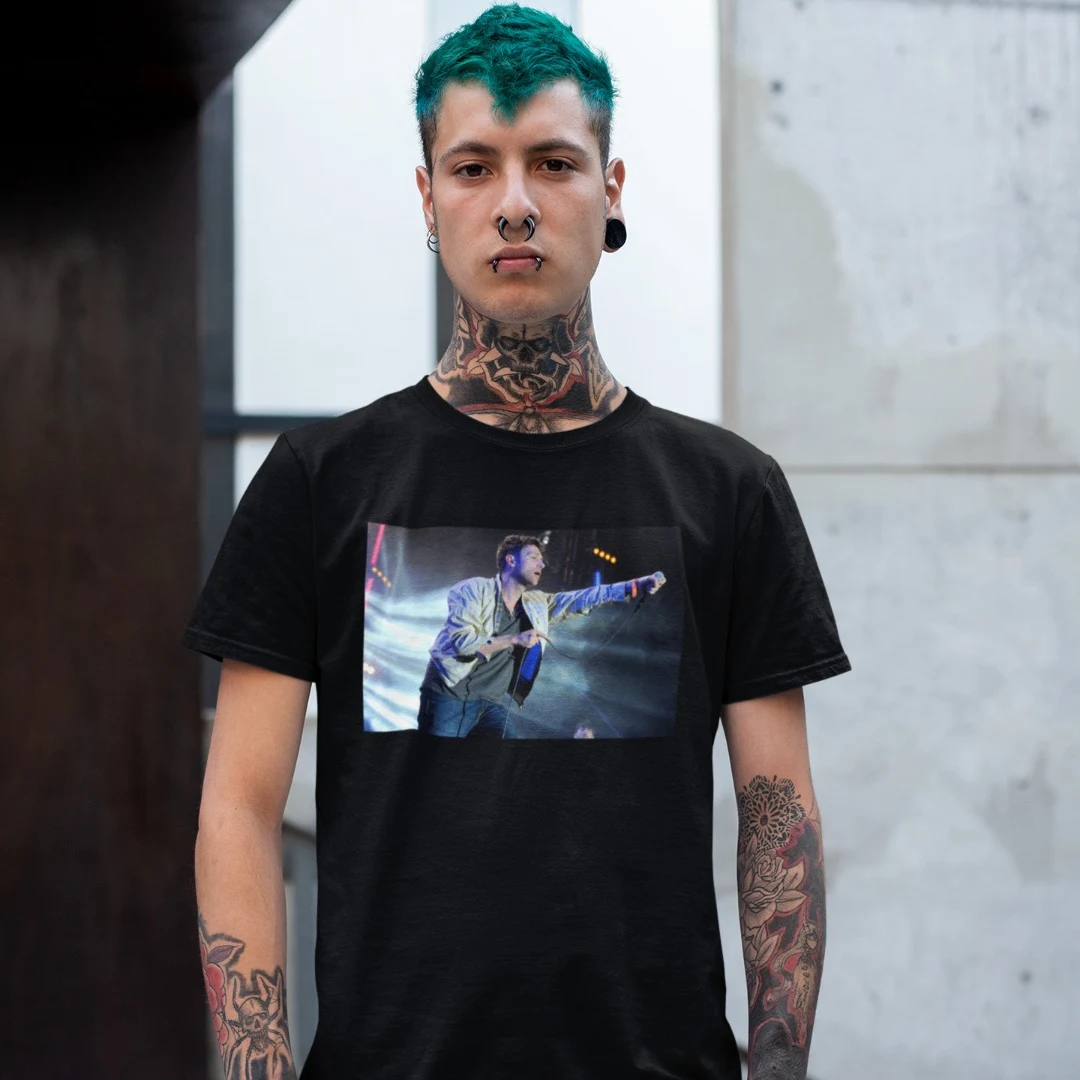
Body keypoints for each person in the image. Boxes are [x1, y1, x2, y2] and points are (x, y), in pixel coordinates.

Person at [184, 6, 852, 1080]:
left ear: (611, 189)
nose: (514, 205)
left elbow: (777, 818)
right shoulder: (319, 482)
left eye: (553, 163)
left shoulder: (729, 491)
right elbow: (239, 808)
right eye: (472, 168)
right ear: (428, 197)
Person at [417, 532, 666, 737]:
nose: (542, 564)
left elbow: (583, 597)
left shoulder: (537, 603)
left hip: (490, 704)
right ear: (511, 560)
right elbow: (462, 644)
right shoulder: (473, 590)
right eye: (534, 557)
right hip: (448, 695)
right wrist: (515, 639)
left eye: (542, 559)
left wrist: (635, 585)